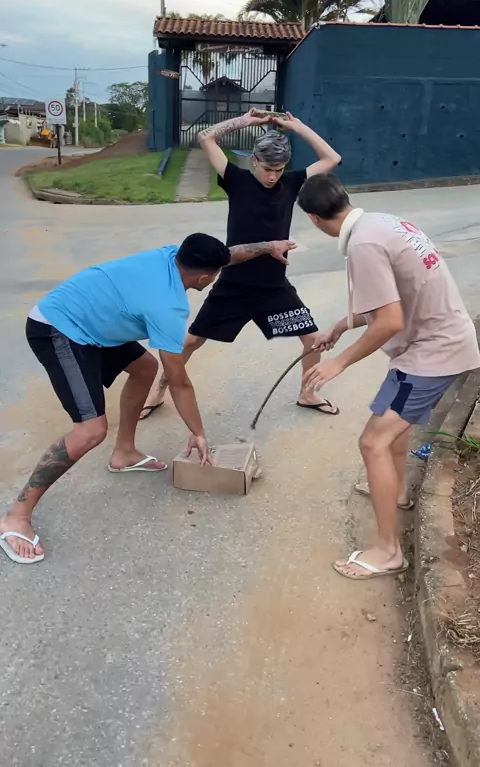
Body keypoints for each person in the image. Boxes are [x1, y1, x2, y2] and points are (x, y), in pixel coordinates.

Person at [0, 233, 295, 565]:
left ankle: (124, 453)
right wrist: (198, 433)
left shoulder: (172, 256)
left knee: (144, 368)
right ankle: (16, 515)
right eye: (216, 273)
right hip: (58, 326)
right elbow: (179, 382)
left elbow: (228, 254)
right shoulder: (168, 306)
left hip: (92, 319)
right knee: (91, 430)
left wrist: (267, 248)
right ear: (204, 278)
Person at [297, 174, 480, 581]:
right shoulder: (381, 223)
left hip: (432, 354)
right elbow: (393, 297)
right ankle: (396, 491)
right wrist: (341, 325)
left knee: (373, 442)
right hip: (435, 345)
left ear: (313, 219)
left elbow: (389, 320)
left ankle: (388, 552)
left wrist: (339, 362)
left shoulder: (363, 244)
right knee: (392, 427)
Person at [140, 109, 342, 420]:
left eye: (279, 169)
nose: (273, 176)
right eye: (268, 169)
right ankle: (159, 389)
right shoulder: (236, 180)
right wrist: (246, 121)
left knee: (313, 340)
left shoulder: (291, 183)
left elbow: (332, 158)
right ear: (254, 161)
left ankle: (308, 392)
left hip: (274, 288)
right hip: (233, 286)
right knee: (191, 341)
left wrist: (297, 126)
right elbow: (205, 137)